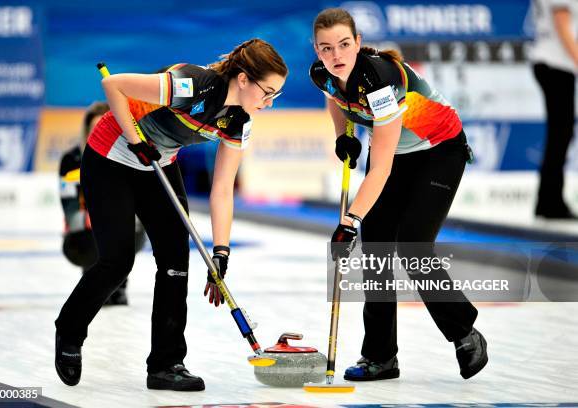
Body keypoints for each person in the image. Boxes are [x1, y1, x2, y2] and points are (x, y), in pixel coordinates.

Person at [54, 39, 288, 391]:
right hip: (111, 157)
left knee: (176, 261)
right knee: (117, 261)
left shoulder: (240, 120)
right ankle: (69, 331)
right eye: (267, 92)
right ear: (243, 79)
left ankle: (166, 364)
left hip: (158, 163)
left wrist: (221, 251)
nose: (269, 103)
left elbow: (222, 188)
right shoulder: (193, 84)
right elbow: (112, 85)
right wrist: (135, 139)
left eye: (276, 96)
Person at [310, 8, 487, 381]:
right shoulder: (322, 74)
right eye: (326, 48)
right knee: (376, 251)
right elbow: (334, 97)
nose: (336, 55)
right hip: (395, 153)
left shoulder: (380, 78)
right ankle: (380, 357)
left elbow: (382, 168)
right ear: (317, 50)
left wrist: (350, 220)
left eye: (344, 44)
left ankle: (464, 333)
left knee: (412, 244)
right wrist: (344, 134)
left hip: (438, 150)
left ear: (358, 43)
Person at [59, 101, 146, 306]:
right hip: (86, 230)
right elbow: (68, 202)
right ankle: (94, 283)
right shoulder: (72, 159)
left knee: (119, 226)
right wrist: (86, 218)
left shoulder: (130, 154)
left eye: (103, 128)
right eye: (93, 130)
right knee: (93, 227)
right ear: (86, 131)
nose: (98, 133)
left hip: (126, 225)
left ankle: (119, 285)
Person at [530, 0, 578, 219]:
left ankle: (548, 200)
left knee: (560, 133)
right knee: (560, 134)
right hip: (555, 63)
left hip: (552, 63)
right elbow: (562, 25)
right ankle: (550, 202)